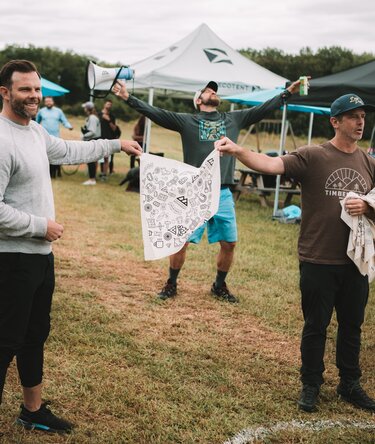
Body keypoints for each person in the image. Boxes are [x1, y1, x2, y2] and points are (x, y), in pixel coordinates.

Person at [0, 59, 142, 433]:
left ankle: (32, 412)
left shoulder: (33, 132)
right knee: (5, 342)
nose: (34, 96)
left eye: (36, 88)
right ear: (5, 93)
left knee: (35, 335)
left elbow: (66, 151)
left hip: (39, 259)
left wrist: (116, 144)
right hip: (10, 260)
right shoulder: (1, 139)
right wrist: (38, 226)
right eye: (25, 89)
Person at [215, 93, 375, 413]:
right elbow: (272, 164)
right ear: (335, 121)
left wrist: (368, 205)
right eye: (353, 116)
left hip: (356, 260)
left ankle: (349, 383)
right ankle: (311, 384)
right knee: (316, 326)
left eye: (363, 116)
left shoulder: (369, 162)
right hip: (318, 258)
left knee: (351, 326)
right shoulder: (313, 155)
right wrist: (239, 150)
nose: (360, 122)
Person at [112, 78, 301, 302]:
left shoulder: (234, 118)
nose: (212, 91)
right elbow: (155, 112)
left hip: (222, 192)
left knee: (229, 243)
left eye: (214, 90)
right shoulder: (187, 121)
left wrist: (288, 92)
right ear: (198, 100)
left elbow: (264, 108)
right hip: (193, 192)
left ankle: (219, 286)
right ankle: (171, 283)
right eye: (207, 90)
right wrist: (127, 97)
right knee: (181, 240)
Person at [36, 96, 73, 178]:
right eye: (47, 101)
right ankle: (47, 173)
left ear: (53, 102)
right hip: (45, 137)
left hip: (56, 137)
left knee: (57, 155)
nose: (48, 103)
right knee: (46, 156)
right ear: (45, 103)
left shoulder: (58, 111)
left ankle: (58, 172)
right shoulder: (41, 111)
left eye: (50, 101)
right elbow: (36, 123)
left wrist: (69, 126)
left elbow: (64, 121)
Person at [98, 99, 120, 178]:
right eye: (108, 104)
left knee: (106, 157)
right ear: (104, 104)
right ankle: (96, 173)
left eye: (110, 105)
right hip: (99, 138)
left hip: (109, 138)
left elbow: (114, 129)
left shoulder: (112, 116)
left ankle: (104, 174)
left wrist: (109, 120)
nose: (109, 106)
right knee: (98, 156)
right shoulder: (98, 115)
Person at [81, 101, 101, 185]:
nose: (84, 109)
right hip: (94, 140)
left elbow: (92, 131)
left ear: (88, 109)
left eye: (85, 107)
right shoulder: (92, 117)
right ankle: (92, 178)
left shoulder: (92, 118)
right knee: (92, 160)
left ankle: (92, 179)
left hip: (92, 140)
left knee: (91, 160)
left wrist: (84, 136)